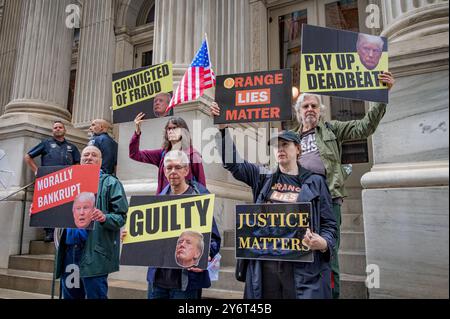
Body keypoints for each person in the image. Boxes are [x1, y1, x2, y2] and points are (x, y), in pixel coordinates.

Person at [210, 102, 337, 299]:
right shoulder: (263, 178)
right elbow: (234, 164)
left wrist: (324, 242)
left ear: (298, 149)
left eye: (285, 144)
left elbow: (329, 224)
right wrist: (223, 130)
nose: (280, 149)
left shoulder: (315, 182)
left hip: (302, 268)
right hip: (265, 266)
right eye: (277, 146)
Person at [293, 71, 395, 298]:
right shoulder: (291, 138)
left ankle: (332, 294)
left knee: (329, 253)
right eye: (305, 106)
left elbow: (364, 127)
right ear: (299, 112)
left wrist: (381, 94)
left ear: (320, 111)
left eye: (314, 106)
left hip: (328, 199)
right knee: (300, 252)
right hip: (299, 202)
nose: (310, 109)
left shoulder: (331, 129)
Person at [55, 145, 128, 299]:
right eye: (85, 155)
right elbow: (55, 209)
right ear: (80, 160)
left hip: (95, 253)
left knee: (96, 296)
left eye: (94, 155)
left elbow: (121, 216)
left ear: (101, 162)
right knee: (71, 296)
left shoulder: (110, 183)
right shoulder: (69, 182)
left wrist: (105, 217)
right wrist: (39, 211)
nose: (89, 158)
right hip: (70, 253)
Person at [146, 150, 220, 299]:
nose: (173, 171)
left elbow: (213, 239)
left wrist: (205, 256)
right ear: (164, 171)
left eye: (178, 167)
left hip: (185, 283)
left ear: (186, 170)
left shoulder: (199, 198)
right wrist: (132, 238)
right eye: (169, 167)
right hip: (157, 281)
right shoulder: (157, 200)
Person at [24, 120, 81, 242]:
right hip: (49, 180)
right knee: (48, 206)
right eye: (55, 127)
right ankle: (49, 232)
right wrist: (36, 171)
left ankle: (62, 232)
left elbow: (77, 163)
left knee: (65, 206)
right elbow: (28, 157)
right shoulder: (46, 144)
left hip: (67, 180)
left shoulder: (72, 147)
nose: (58, 129)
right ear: (52, 130)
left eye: (60, 127)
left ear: (65, 130)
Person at [129, 115, 206, 194]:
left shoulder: (193, 154)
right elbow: (134, 154)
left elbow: (201, 182)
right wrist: (137, 132)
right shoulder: (162, 154)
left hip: (185, 201)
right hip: (164, 201)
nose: (171, 131)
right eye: (169, 128)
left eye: (175, 128)